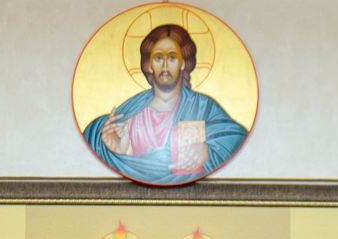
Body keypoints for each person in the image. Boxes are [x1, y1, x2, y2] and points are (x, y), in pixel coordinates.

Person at [82, 23, 249, 185]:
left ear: (183, 63)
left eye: (172, 58)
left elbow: (236, 138)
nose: (164, 65)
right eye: (158, 58)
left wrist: (209, 151)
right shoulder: (129, 116)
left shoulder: (204, 108)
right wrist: (120, 152)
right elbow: (93, 141)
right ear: (148, 65)